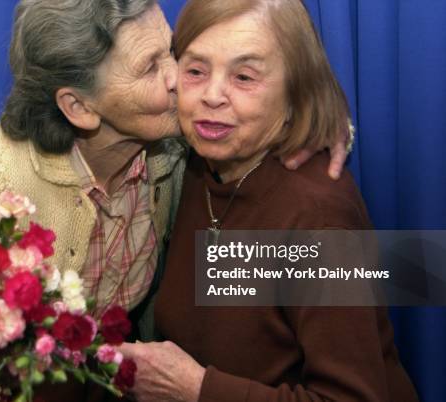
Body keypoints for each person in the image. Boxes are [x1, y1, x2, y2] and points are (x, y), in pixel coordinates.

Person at [0, 1, 349, 401]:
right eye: (149, 67)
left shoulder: (182, 151)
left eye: (172, 52)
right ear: (79, 107)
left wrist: (315, 118)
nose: (179, 78)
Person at [119, 1, 420, 401]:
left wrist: (197, 389)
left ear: (295, 90)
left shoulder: (318, 217)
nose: (212, 95)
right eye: (195, 70)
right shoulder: (200, 162)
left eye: (244, 77)